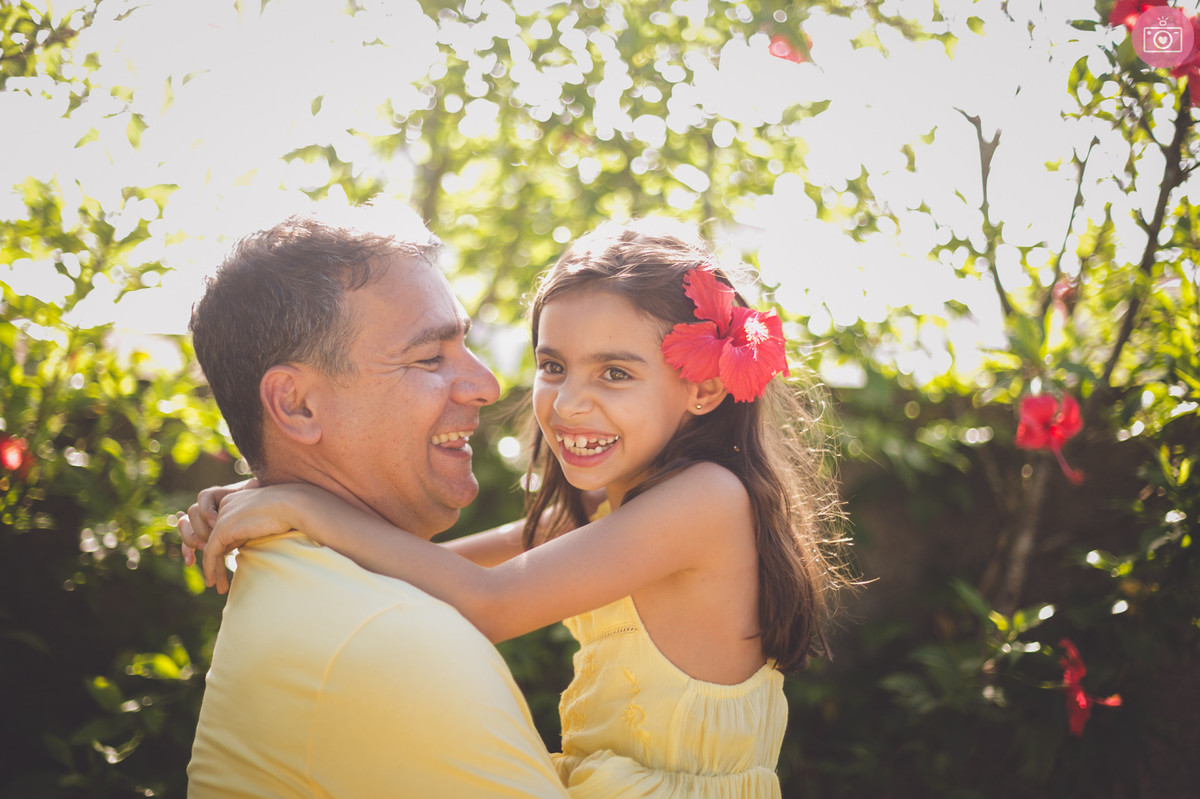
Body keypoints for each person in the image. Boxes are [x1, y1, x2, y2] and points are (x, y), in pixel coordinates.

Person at [184, 218, 851, 798]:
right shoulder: (621, 505)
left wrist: (305, 504)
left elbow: (490, 602)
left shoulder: (706, 500)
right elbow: (428, 574)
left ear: (703, 388)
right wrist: (271, 500)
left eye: (615, 373)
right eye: (553, 367)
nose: (568, 403)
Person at [183, 202, 571, 798]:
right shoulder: (395, 640)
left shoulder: (306, 571)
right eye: (429, 357)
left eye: (463, 345)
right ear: (296, 405)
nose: (488, 386)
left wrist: (294, 500)